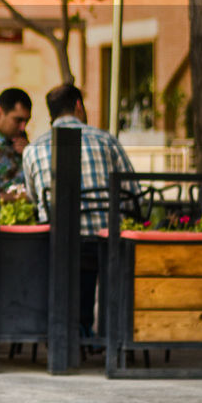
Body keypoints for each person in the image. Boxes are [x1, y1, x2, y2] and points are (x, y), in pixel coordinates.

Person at [22, 82, 136, 338]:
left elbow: (33, 199)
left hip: (57, 244)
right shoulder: (106, 140)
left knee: (70, 263)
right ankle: (107, 334)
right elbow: (131, 191)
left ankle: (74, 330)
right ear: (78, 106)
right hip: (106, 241)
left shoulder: (33, 149)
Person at [0, 87, 32, 190]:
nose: (23, 127)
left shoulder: (21, 142)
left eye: (26, 121)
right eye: (18, 120)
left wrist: (29, 154)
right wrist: (19, 197)